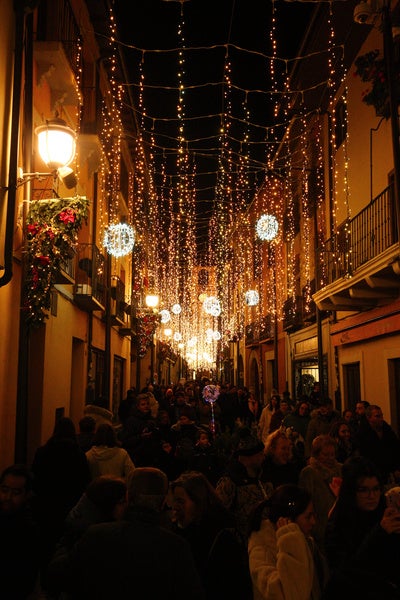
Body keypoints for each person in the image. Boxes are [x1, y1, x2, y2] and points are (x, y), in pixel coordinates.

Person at [46, 467, 205, 600]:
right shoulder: (176, 547)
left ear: (128, 497)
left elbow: (57, 576)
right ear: (163, 503)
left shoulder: (97, 535)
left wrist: (64, 544)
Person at [324, 456, 400, 599]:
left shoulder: (383, 511)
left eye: (376, 489)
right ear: (352, 492)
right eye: (364, 490)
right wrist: (379, 533)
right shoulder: (339, 521)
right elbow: (346, 570)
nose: (372, 496)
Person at [171, 471, 253, 600]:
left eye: (181, 501)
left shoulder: (220, 535)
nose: (175, 507)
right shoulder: (181, 530)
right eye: (174, 501)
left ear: (198, 502)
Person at [31, 417, 90, 574]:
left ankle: (45, 574)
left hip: (46, 504)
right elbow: (85, 480)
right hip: (69, 504)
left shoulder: (43, 452)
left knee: (47, 541)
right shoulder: (78, 454)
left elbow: (35, 477)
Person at [248, 484, 328, 600]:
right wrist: (290, 540)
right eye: (308, 517)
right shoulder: (261, 549)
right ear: (287, 519)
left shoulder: (307, 542)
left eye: (313, 515)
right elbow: (291, 595)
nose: (313, 522)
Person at [216, 427, 273, 542]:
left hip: (267, 538)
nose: (263, 457)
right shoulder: (230, 482)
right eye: (260, 454)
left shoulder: (264, 478)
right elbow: (219, 513)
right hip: (244, 543)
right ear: (248, 457)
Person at [0, 464, 41, 600]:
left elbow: (25, 578)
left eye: (16, 493)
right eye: (5, 490)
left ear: (27, 495)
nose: (8, 497)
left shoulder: (28, 530)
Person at [299, 434, 342, 549]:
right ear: (317, 455)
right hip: (321, 527)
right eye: (326, 455)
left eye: (332, 454)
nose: (330, 458)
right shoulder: (309, 473)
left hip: (340, 526)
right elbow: (306, 502)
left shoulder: (341, 470)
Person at [355, 404, 400, 485]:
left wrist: (396, 468)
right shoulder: (362, 433)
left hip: (390, 471)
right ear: (369, 418)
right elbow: (365, 456)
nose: (381, 419)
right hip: (372, 472)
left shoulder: (386, 429)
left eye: (381, 416)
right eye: (377, 416)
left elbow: (396, 448)